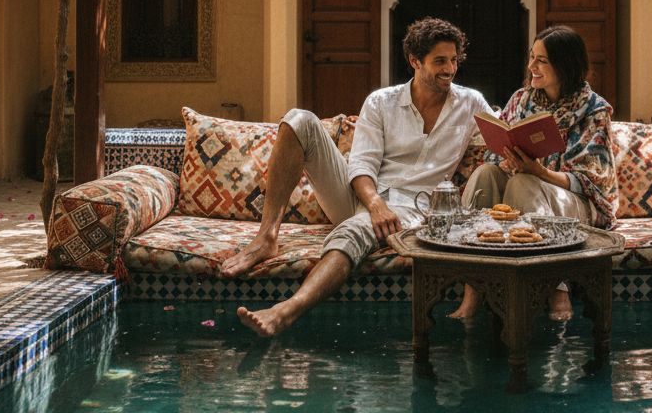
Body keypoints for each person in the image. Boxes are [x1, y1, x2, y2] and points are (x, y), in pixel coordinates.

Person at [221, 17, 491, 337]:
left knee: (356, 229)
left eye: (454, 60)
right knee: (298, 120)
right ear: (415, 61)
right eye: (440, 61)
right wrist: (375, 204)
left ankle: (284, 311)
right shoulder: (382, 102)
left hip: (414, 207)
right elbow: (360, 165)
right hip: (361, 197)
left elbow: (500, 137)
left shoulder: (470, 102)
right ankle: (267, 236)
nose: (450, 68)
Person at [448, 25, 615, 322]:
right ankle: (472, 288)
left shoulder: (594, 110)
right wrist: (505, 161)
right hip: (523, 187)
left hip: (574, 202)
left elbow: (590, 181)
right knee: (486, 174)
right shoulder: (521, 100)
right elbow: (493, 154)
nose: (531, 67)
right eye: (531, 57)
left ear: (565, 64)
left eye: (542, 61)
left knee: (524, 182)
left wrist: (537, 171)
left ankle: (556, 289)